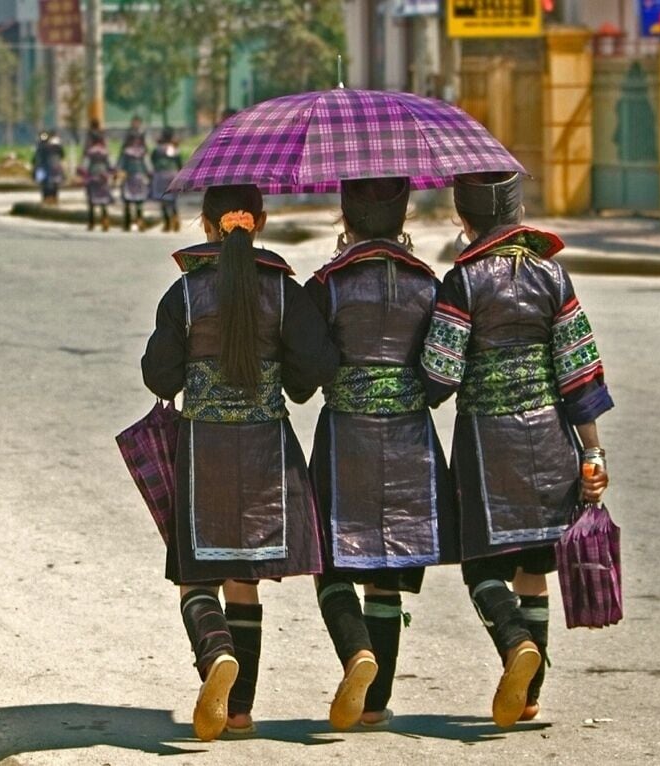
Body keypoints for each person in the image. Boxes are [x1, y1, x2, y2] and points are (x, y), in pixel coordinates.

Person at [141, 183, 339, 741]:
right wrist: (289, 383)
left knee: (195, 576)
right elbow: (317, 363)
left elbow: (159, 375)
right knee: (244, 579)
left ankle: (216, 653)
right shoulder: (283, 291)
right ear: (261, 222)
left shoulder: (184, 295)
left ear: (206, 225)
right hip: (266, 451)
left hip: (202, 451)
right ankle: (240, 712)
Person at [420, 171, 613, 728]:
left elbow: (439, 376)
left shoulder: (462, 282)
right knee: (534, 565)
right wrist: (593, 454)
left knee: (481, 564)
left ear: (463, 219)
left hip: (488, 447)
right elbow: (579, 371)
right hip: (552, 441)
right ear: (519, 212)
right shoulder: (553, 275)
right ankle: (529, 696)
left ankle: (514, 644)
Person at [303, 177, 457, 731]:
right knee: (387, 572)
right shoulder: (429, 285)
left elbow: (307, 373)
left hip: (346, 439)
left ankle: (356, 652)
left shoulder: (327, 285)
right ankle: (373, 705)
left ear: (346, 217)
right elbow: (441, 379)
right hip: (411, 442)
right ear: (403, 216)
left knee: (330, 560)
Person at [79, 127, 114, 231]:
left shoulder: (90, 152)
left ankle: (92, 223)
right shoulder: (106, 152)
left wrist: (82, 173)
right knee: (104, 201)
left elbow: (84, 166)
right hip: (103, 178)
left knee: (91, 201)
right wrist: (110, 173)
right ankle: (105, 221)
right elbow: (111, 165)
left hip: (92, 177)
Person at [117, 131, 151, 231]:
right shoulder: (142, 152)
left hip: (130, 178)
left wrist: (118, 173)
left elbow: (120, 164)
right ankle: (139, 222)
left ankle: (128, 224)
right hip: (138, 178)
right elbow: (148, 166)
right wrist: (150, 174)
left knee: (128, 200)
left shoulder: (126, 152)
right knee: (138, 200)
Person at [150, 127, 183, 232]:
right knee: (172, 199)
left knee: (163, 199)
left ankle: (167, 222)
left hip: (160, 175)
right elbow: (179, 163)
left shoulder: (157, 149)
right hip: (173, 175)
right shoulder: (174, 148)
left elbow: (153, 160)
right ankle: (176, 220)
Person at [32, 129, 65, 205]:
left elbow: (34, 159)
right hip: (46, 168)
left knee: (46, 184)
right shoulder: (52, 146)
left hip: (46, 168)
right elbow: (61, 155)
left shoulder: (42, 147)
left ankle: (49, 199)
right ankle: (51, 198)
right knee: (49, 184)